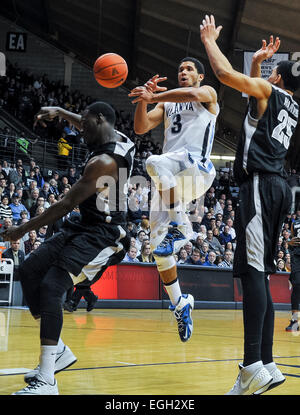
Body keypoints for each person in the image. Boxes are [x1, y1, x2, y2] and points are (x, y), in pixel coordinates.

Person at [2, 101, 135, 395]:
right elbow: (86, 121)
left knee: (52, 287)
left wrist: (21, 230)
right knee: (29, 269)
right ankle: (58, 350)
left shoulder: (104, 162)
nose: (79, 130)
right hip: (84, 224)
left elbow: (64, 205)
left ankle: (47, 380)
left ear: (100, 120)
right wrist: (62, 113)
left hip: (105, 234)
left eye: (84, 124)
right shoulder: (121, 140)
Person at [201, 15, 299, 394]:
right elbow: (250, 97)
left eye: (273, 70)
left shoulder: (267, 94)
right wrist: (258, 61)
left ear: (278, 80)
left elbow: (225, 76)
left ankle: (252, 364)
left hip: (259, 186)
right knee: (260, 274)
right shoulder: (287, 103)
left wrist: (210, 41)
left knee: (251, 273)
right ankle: (268, 364)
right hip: (276, 188)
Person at [129, 56, 219, 342]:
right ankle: (181, 304)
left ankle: (184, 227)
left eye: (189, 69)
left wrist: (154, 94)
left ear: (200, 76)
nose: (183, 72)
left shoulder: (207, 95)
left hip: (196, 169)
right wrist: (145, 99)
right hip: (170, 179)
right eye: (180, 69)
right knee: (158, 249)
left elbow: (192, 94)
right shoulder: (167, 104)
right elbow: (141, 128)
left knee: (152, 162)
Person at [286, 213, 300, 331]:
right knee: (296, 288)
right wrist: (289, 242)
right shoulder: (294, 224)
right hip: (297, 259)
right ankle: (295, 321)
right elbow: (290, 241)